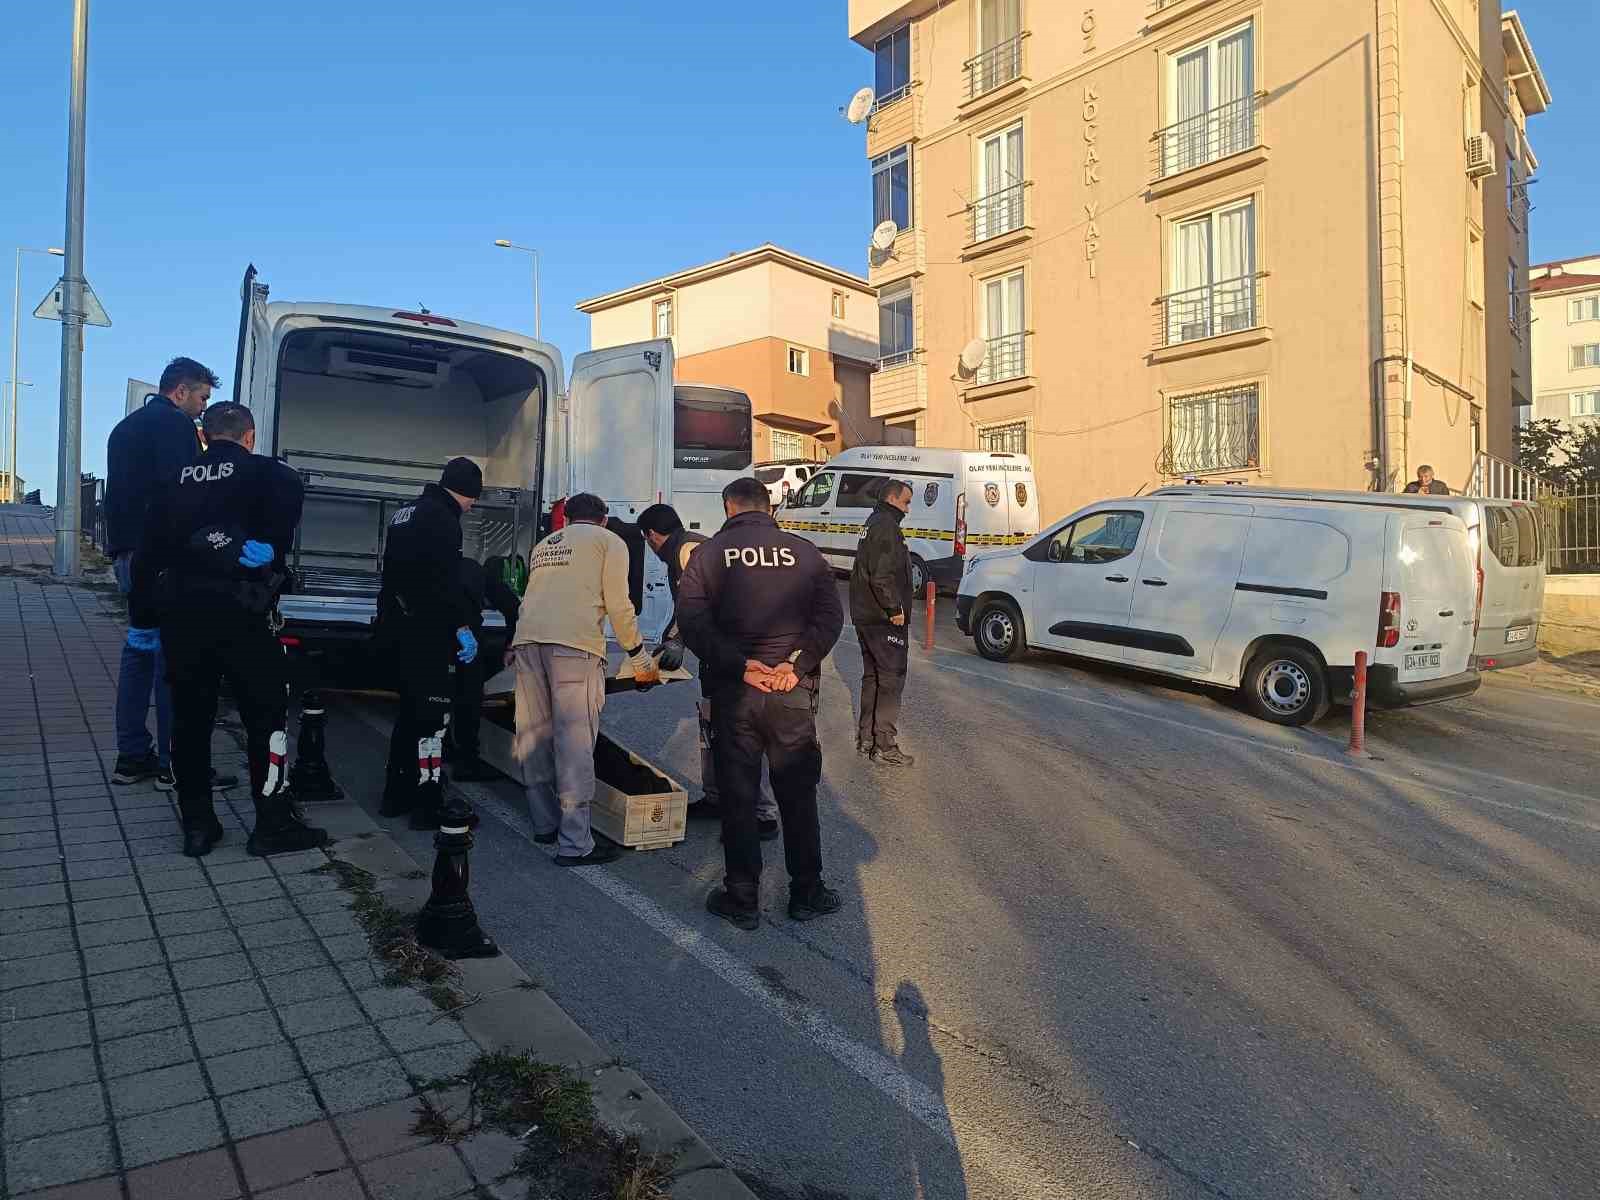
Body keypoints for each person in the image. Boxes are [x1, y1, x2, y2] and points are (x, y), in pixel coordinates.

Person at [130, 402, 328, 858]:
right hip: (245, 614)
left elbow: (147, 555)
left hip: (182, 615)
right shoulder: (271, 474)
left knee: (190, 720)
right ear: (250, 436)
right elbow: (281, 527)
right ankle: (272, 822)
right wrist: (268, 549)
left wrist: (142, 620)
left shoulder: (174, 481)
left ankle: (198, 827)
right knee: (266, 716)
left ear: (205, 435)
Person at [676, 477, 845, 931]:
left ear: (728, 507)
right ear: (768, 507)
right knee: (797, 795)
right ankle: (807, 892)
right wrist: (796, 662)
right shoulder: (805, 552)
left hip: (736, 694)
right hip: (791, 690)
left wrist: (740, 665)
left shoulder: (708, 555)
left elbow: (691, 622)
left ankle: (742, 897)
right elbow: (830, 617)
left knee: (739, 796)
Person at [509, 492, 659, 866]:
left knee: (534, 733)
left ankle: (544, 824)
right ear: (604, 519)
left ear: (567, 519)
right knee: (573, 741)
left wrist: (515, 641)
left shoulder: (545, 545)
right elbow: (619, 603)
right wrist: (639, 656)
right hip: (573, 647)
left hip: (528, 644)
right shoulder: (609, 541)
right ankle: (575, 843)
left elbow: (531, 597)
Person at [636, 503, 780, 840]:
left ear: (652, 536)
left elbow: (698, 605)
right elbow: (684, 610)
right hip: (717, 656)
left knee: (740, 732)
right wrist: (669, 644)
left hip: (733, 656)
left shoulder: (688, 550)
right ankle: (716, 797)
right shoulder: (684, 549)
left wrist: (676, 642)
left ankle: (763, 813)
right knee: (711, 726)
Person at [103, 357, 208, 786]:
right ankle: (172, 763)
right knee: (172, 658)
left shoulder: (124, 428)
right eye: (201, 397)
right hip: (162, 559)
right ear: (179, 391)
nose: (203, 407)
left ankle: (132, 756)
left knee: (138, 651)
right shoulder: (174, 427)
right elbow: (183, 491)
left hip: (128, 556)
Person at [376, 457, 484, 829]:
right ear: (466, 492)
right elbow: (443, 582)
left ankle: (394, 796)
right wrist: (461, 626)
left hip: (400, 630)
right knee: (433, 721)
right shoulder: (443, 519)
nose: (472, 506)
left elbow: (391, 574)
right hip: (429, 634)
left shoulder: (405, 513)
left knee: (408, 715)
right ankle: (427, 803)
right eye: (473, 499)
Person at [849, 479, 915, 767]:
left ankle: (867, 738)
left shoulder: (874, 521)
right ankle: (885, 745)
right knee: (891, 680)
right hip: (882, 617)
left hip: (866, 614)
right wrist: (894, 608)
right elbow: (881, 574)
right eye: (906, 502)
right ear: (892, 498)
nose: (908, 509)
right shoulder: (886, 526)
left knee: (873, 677)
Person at [445, 556, 522, 782]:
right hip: (467, 636)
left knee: (441, 696)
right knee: (468, 696)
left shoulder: (437, 566)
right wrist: (510, 645)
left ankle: (446, 748)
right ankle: (466, 761)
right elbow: (514, 609)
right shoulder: (480, 573)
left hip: (437, 636)